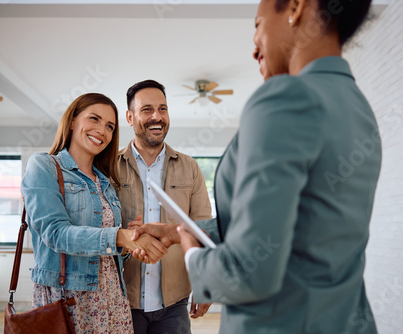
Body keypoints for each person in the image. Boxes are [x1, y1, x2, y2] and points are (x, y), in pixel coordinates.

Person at [137, 0, 382, 332]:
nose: (254, 49)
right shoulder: (358, 107)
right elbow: (295, 227)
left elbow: (248, 272)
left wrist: (195, 260)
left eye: (257, 25)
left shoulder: (283, 98)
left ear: (296, 7)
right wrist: (176, 233)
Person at [21, 93, 168, 334]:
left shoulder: (105, 182)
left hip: (113, 300)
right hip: (70, 300)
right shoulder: (44, 166)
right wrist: (119, 237)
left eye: (110, 126)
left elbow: (109, 254)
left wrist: (130, 242)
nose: (102, 130)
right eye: (94, 119)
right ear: (72, 121)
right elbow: (56, 234)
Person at [116, 79, 213, 334]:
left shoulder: (190, 167)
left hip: (174, 303)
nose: (156, 116)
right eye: (146, 109)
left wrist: (205, 283)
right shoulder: (109, 167)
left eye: (163, 108)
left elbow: (203, 228)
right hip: (122, 301)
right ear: (130, 116)